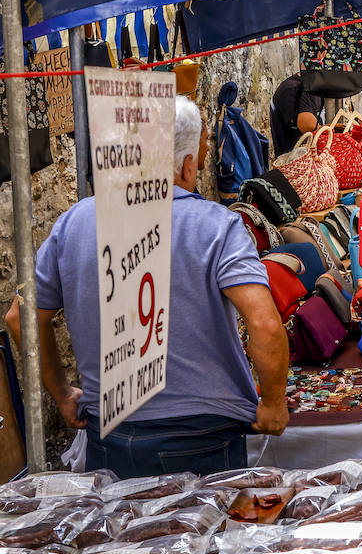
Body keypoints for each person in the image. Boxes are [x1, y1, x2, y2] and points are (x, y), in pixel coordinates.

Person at [10, 96, 288, 479]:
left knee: (125, 538)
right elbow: (265, 323)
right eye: (203, 154)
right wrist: (274, 404)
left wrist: (61, 393)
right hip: (203, 436)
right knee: (205, 536)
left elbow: (19, 318)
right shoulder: (217, 226)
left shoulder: (73, 223)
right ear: (187, 165)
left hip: (110, 434)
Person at [268, 71, 326, 157]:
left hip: (314, 164)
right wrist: (337, 133)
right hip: (296, 166)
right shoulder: (293, 89)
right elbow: (308, 127)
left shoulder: (316, 87)